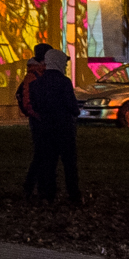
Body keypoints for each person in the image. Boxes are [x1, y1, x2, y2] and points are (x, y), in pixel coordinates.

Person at [28, 48, 82, 206]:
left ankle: (48, 194)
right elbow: (72, 106)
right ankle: (73, 194)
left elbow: (35, 105)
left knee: (48, 163)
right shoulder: (64, 82)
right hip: (64, 129)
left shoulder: (37, 84)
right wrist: (74, 111)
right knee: (69, 164)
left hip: (45, 129)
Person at [15, 43, 53, 198]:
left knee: (42, 154)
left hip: (38, 118)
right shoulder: (35, 76)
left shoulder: (35, 74)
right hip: (39, 120)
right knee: (41, 154)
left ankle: (35, 186)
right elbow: (29, 100)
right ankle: (32, 186)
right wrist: (38, 115)